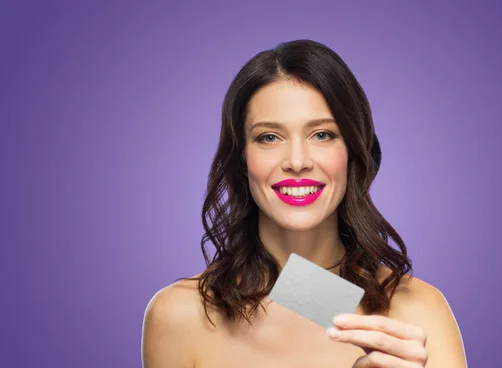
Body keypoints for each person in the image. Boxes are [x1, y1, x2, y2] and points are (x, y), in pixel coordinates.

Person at [141, 39, 467, 367]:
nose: (297, 161)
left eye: (322, 134)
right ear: (242, 159)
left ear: (354, 150)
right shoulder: (180, 315)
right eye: (269, 137)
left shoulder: (416, 313)